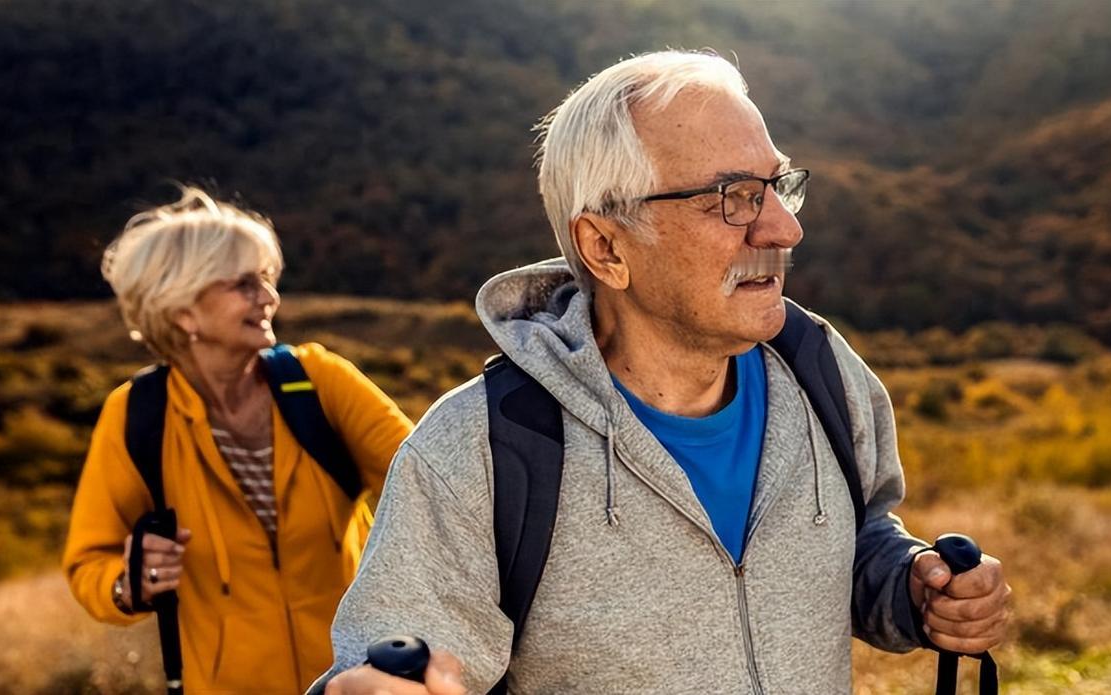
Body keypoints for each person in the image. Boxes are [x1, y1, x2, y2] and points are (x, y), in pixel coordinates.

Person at [317, 51, 1010, 694]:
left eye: (776, 186)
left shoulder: (824, 374)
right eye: (734, 196)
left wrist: (910, 587)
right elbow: (392, 660)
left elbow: (856, 543)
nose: (782, 229)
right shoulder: (484, 449)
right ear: (606, 246)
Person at [62, 187, 414, 693]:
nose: (269, 297)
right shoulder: (137, 415)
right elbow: (88, 562)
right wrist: (129, 583)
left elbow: (431, 483)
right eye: (244, 284)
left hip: (355, 682)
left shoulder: (320, 381)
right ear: (182, 309)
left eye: (268, 279)